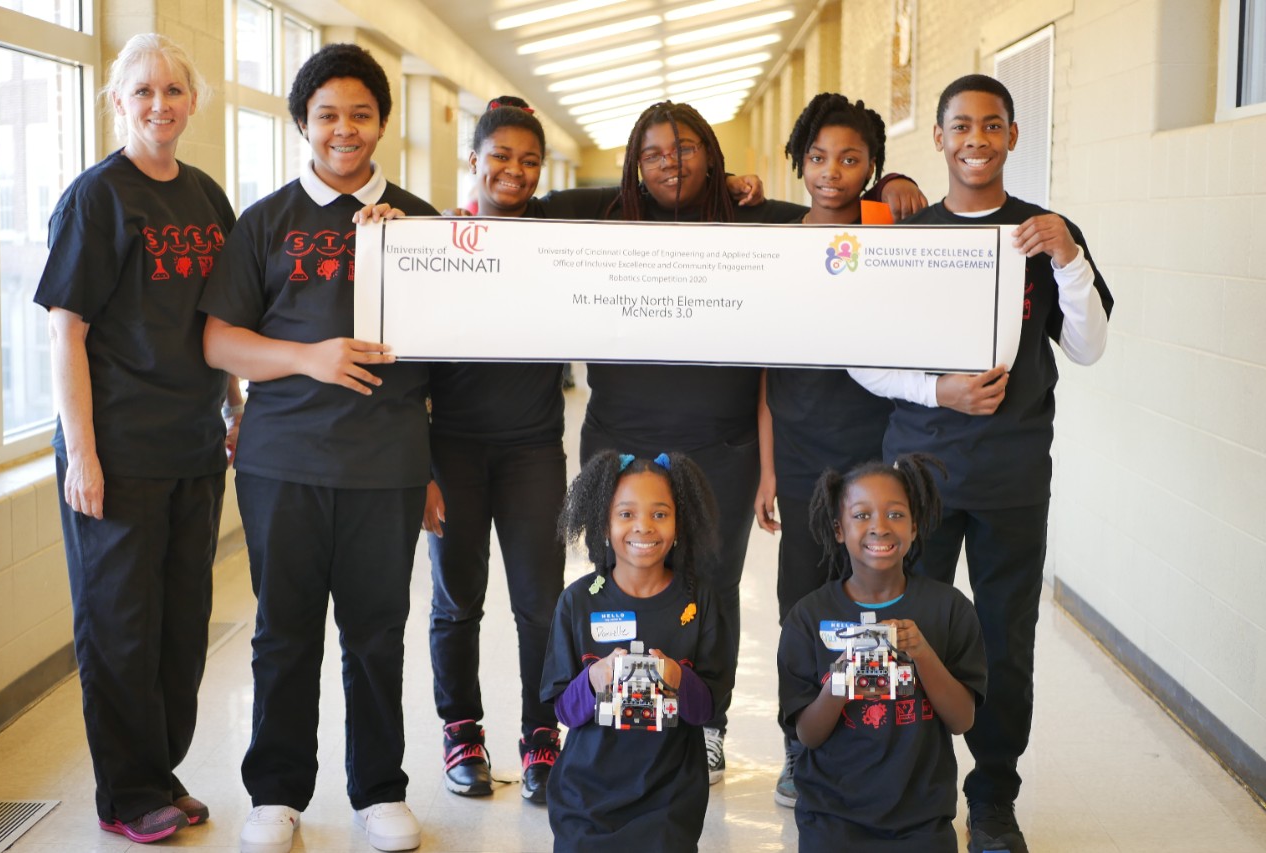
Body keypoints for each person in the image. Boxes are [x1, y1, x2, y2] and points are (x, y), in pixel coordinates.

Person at [540, 100, 925, 783]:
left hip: (721, 444)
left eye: (686, 150)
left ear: (715, 161)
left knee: (709, 587)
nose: (670, 164)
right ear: (633, 164)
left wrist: (888, 195)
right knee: (618, 581)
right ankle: (612, 720)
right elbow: (531, 206)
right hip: (618, 442)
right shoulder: (605, 218)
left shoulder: (755, 218)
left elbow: (828, 210)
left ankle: (706, 721)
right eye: (653, 153)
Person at [849, 74, 1113, 853]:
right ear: (938, 138)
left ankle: (993, 799)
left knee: (1003, 643)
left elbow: (1090, 347)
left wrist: (1068, 256)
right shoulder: (911, 236)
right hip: (918, 483)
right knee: (902, 632)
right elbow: (862, 360)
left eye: (991, 125)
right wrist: (941, 389)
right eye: (960, 125)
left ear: (1013, 136)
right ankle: (906, 788)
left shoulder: (1046, 233)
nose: (976, 139)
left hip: (1011, 480)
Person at [199, 43, 438, 853]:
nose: (345, 130)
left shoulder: (418, 222)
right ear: (303, 122)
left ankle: (379, 790)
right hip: (282, 460)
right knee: (284, 631)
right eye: (328, 114)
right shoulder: (266, 220)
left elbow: (453, 347)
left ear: (382, 123)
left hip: (387, 465)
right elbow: (220, 343)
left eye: (361, 115)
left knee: (377, 632)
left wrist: (412, 259)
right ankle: (275, 793)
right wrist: (310, 355)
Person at [32, 33, 239, 844]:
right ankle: (126, 794)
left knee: (181, 625)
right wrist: (81, 452)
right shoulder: (98, 198)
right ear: (117, 100)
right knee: (119, 624)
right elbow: (67, 333)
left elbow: (215, 319)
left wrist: (234, 402)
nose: (160, 105)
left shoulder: (206, 197)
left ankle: (160, 771)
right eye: (143, 91)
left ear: (193, 102)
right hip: (114, 452)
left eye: (174, 91)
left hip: (191, 446)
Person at [755, 92, 911, 807]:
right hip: (798, 461)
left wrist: (900, 188)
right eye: (817, 157)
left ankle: (873, 745)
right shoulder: (779, 241)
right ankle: (802, 748)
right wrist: (765, 469)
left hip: (873, 456)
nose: (831, 172)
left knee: (876, 606)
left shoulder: (889, 232)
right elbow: (763, 370)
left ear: (872, 166)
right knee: (803, 606)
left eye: (851, 158)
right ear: (799, 162)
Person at [424, 95, 567, 803]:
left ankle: (542, 735)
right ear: (473, 161)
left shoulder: (556, 227)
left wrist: (731, 186)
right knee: (457, 600)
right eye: (501, 156)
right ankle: (462, 730)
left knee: (540, 601)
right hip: (451, 445)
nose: (515, 170)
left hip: (533, 447)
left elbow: (633, 189)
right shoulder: (438, 239)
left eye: (530, 160)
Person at [779, 454, 987, 851]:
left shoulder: (949, 609)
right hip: (832, 817)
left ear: (914, 524)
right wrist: (841, 677)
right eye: (861, 515)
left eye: (895, 514)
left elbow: (962, 719)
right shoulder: (808, 618)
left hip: (920, 821)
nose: (879, 526)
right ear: (838, 529)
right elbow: (808, 733)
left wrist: (922, 652)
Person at [541, 450, 732, 852]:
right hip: (586, 797)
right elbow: (563, 711)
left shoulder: (701, 602)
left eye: (660, 514)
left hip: (668, 798)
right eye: (625, 514)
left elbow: (707, 710)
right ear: (603, 522)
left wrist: (677, 679)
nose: (643, 526)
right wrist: (594, 678)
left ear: (680, 521)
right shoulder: (578, 602)